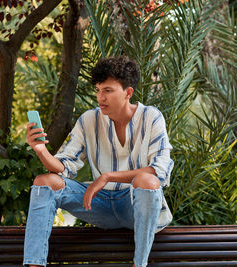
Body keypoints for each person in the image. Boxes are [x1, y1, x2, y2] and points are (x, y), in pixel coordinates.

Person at [23, 56, 174, 267]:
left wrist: (108, 176)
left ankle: (139, 265)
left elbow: (159, 172)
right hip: (99, 204)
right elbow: (64, 165)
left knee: (147, 181)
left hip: (135, 205)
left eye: (108, 91)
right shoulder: (88, 120)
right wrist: (40, 150)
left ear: (128, 92)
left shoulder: (152, 117)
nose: (100, 97)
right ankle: (34, 265)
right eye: (98, 90)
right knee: (44, 182)